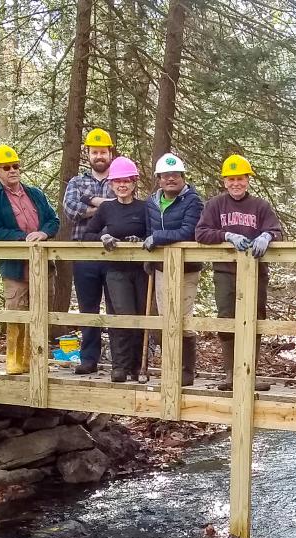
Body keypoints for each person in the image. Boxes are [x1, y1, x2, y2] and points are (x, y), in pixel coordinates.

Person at [195, 154, 284, 392]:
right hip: (225, 272)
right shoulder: (215, 205)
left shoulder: (260, 206)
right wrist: (226, 235)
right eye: (231, 179)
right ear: (225, 181)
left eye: (241, 178)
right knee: (226, 319)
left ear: (248, 180)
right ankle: (230, 373)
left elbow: (277, 230)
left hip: (256, 272)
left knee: (255, 318)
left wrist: (267, 236)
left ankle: (249, 373)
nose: (236, 183)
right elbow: (201, 233)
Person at [0, 144, 60, 374]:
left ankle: (36, 362)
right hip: (15, 267)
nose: (12, 170)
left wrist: (43, 233)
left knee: (42, 313)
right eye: (7, 167)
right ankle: (15, 363)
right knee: (16, 313)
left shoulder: (35, 193)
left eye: (16, 166)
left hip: (43, 265)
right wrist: (25, 238)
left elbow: (53, 220)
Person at [143, 152, 203, 386]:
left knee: (183, 318)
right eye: (166, 175)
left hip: (187, 268)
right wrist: (151, 255)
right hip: (161, 267)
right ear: (159, 179)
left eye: (175, 175)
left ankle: (186, 370)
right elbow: (148, 231)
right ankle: (171, 366)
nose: (171, 179)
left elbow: (188, 232)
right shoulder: (152, 202)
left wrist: (157, 237)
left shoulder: (193, 201)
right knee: (165, 317)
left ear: (183, 177)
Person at [61, 128, 117, 375]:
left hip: (116, 254)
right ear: (88, 154)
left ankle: (121, 362)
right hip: (84, 253)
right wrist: (107, 208)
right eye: (95, 152)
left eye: (103, 151)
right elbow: (72, 211)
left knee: (117, 309)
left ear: (110, 153)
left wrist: (90, 201)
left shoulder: (120, 179)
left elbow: (126, 209)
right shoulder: (76, 182)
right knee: (88, 309)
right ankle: (89, 359)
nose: (99, 156)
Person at [94, 156, 149, 382]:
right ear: (111, 184)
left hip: (141, 271)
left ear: (134, 182)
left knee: (140, 318)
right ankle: (120, 366)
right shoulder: (107, 208)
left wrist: (143, 239)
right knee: (121, 316)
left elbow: (152, 232)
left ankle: (137, 366)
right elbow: (89, 232)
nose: (122, 185)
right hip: (116, 271)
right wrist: (103, 236)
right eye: (117, 181)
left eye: (126, 180)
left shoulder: (145, 207)